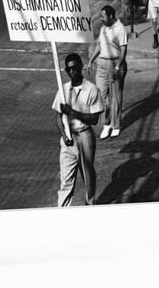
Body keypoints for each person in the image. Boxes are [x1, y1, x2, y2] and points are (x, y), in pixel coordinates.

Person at [52, 53, 104, 207]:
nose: (72, 71)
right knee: (66, 181)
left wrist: (72, 112)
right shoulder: (63, 90)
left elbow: (94, 119)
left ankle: (90, 202)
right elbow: (58, 117)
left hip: (85, 136)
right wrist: (64, 135)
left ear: (81, 67)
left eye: (75, 67)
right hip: (68, 139)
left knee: (87, 173)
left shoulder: (91, 89)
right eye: (69, 69)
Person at [87, 5, 128, 139]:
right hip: (102, 64)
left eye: (102, 16)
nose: (101, 19)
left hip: (115, 63)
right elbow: (99, 45)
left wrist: (117, 68)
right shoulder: (104, 28)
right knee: (101, 95)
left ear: (110, 16)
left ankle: (116, 125)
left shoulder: (120, 29)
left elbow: (123, 50)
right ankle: (106, 123)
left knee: (116, 96)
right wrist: (91, 60)